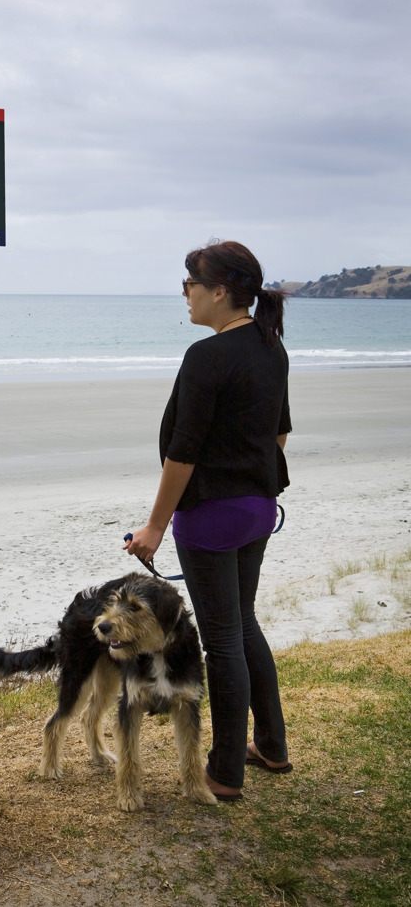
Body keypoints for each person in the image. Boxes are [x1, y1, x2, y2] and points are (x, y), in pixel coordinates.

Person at [124, 239, 293, 802]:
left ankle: (225, 772)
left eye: (191, 281)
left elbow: (183, 453)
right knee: (242, 625)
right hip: (259, 509)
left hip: (213, 519)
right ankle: (271, 746)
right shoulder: (271, 347)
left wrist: (153, 526)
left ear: (221, 291)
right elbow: (279, 435)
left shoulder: (207, 355)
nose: (185, 291)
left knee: (222, 643)